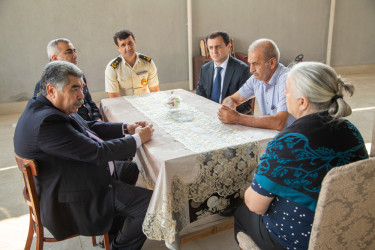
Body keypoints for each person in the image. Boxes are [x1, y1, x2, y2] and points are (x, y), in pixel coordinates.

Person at [14, 61, 155, 250]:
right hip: (74, 195)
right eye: (74, 89)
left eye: (81, 88)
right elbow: (97, 152)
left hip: (67, 175)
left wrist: (127, 128)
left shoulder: (45, 106)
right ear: (51, 89)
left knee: (130, 168)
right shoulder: (48, 122)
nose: (81, 95)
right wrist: (138, 139)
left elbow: (87, 127)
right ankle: (120, 247)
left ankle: (114, 227)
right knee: (150, 204)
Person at [233, 62, 369, 249]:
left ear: (302, 102)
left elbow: (256, 205)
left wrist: (249, 192)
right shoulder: (352, 131)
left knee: (242, 213)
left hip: (300, 242)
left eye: (287, 90)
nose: (284, 94)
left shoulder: (287, 143)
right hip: (347, 229)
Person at [218, 38, 296, 131]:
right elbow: (233, 99)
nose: (251, 70)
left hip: (295, 140)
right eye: (250, 64)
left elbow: (279, 123)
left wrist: (237, 118)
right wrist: (227, 109)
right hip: (273, 137)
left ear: (272, 63)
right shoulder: (258, 78)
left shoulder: (286, 79)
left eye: (255, 64)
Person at [33, 38, 102, 121]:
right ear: (55, 58)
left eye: (74, 51)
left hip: (92, 123)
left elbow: (89, 101)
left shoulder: (79, 76)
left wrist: (97, 118)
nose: (75, 56)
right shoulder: (44, 85)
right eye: (69, 52)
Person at [196, 31, 254, 114]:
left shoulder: (243, 70)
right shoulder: (205, 69)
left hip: (233, 118)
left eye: (218, 47)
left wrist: (224, 115)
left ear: (229, 46)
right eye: (211, 48)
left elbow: (245, 106)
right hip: (210, 115)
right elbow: (200, 97)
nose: (214, 51)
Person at [105, 29, 159, 97]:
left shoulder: (148, 63)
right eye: (123, 45)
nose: (128, 48)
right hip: (124, 104)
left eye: (130, 43)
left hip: (145, 102)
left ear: (135, 42)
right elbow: (113, 98)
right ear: (118, 48)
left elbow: (154, 91)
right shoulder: (112, 68)